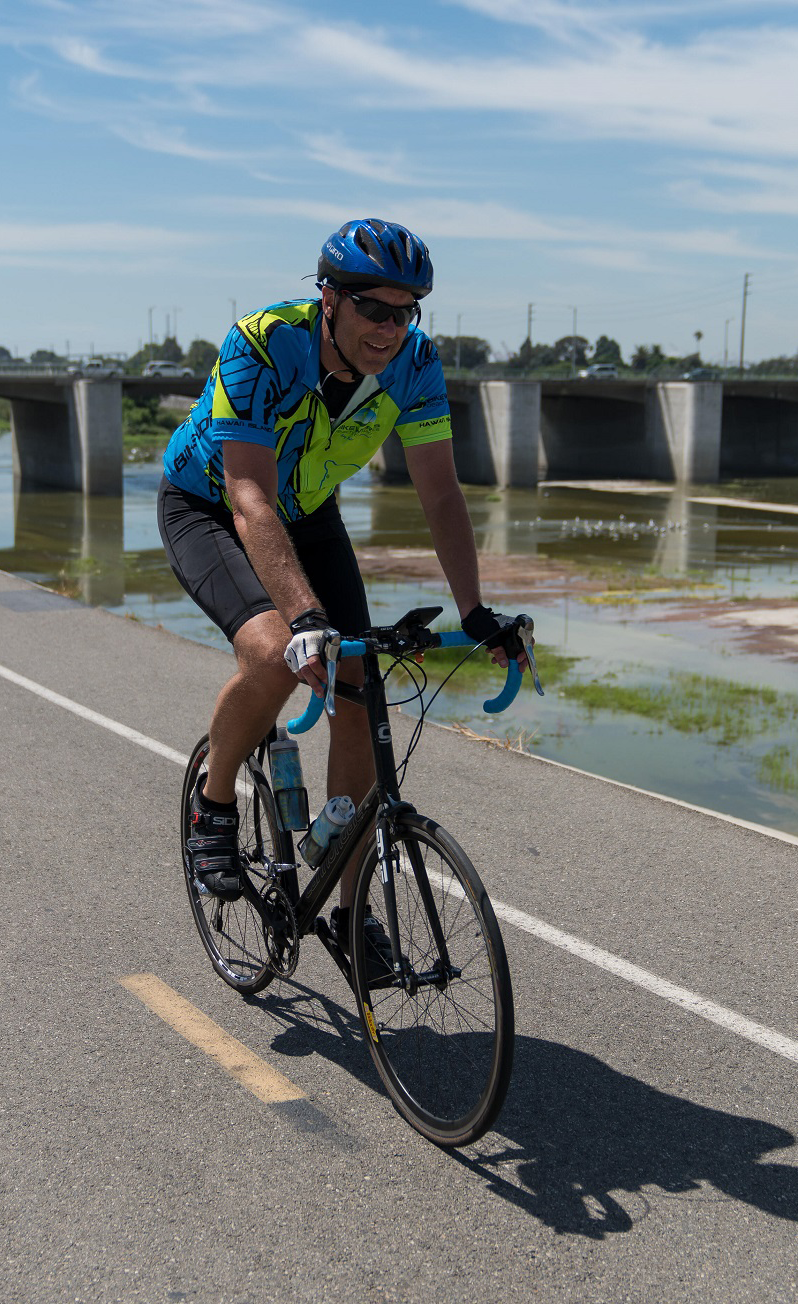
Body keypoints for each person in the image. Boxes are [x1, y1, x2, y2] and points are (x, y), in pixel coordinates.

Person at [158, 217, 524, 934]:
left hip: (307, 512)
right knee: (273, 652)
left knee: (361, 692)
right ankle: (217, 797)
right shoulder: (263, 344)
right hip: (212, 503)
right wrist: (303, 618)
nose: (391, 328)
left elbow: (441, 493)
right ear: (329, 297)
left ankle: (352, 919)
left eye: (406, 311)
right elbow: (249, 497)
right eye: (374, 309)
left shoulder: (415, 364)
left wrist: (476, 612)